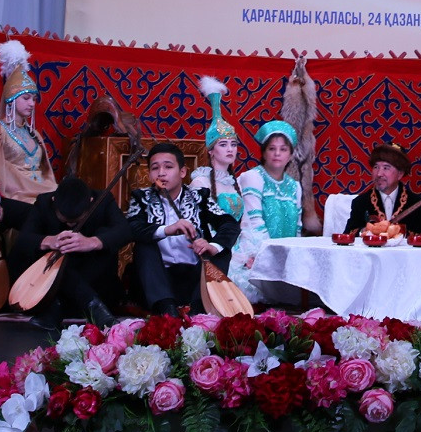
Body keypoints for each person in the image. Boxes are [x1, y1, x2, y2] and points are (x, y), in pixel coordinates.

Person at [8, 176, 135, 331]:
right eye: (65, 220)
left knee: (104, 236)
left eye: (75, 221)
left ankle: (59, 309)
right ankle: (92, 305)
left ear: (90, 201)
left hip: (93, 279)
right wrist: (50, 241)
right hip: (51, 286)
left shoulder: (103, 200)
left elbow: (125, 231)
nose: (70, 224)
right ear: (54, 200)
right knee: (36, 248)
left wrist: (92, 242)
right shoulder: (44, 202)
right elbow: (24, 239)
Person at [127, 142, 239, 316]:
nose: (161, 173)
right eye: (155, 168)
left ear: (182, 172)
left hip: (194, 279)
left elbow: (229, 224)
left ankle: (199, 309)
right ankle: (167, 309)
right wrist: (166, 230)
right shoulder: (141, 198)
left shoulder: (199, 197)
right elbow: (131, 228)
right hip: (158, 281)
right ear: (149, 174)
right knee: (144, 246)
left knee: (221, 250)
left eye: (168, 167)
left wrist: (212, 246)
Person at [229, 120, 302, 301]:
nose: (277, 153)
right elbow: (254, 222)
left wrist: (294, 258)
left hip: (286, 255)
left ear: (291, 155)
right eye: (272, 148)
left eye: (283, 149)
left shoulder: (295, 186)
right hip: (256, 252)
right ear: (263, 152)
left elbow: (298, 227)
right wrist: (267, 257)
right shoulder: (253, 177)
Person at [0, 40, 56, 236]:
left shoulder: (34, 134)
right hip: (18, 195)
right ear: (11, 99)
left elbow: (46, 172)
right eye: (26, 98)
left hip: (43, 191)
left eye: (34, 99)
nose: (32, 104)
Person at [343, 143, 421, 236]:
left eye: (386, 168)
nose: (379, 174)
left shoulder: (417, 203)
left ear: (400, 174)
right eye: (376, 167)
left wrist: (399, 232)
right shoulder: (360, 202)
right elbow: (348, 235)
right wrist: (364, 231)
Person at [189, 76, 243, 221]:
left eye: (233, 144)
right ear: (211, 150)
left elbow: (245, 223)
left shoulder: (236, 184)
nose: (230, 149)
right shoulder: (201, 182)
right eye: (223, 144)